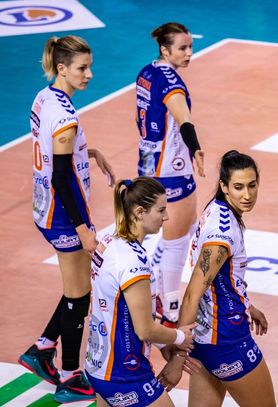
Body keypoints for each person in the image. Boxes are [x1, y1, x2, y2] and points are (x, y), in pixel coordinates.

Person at [18, 35, 115, 403]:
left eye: (89, 66)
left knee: (77, 289)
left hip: (45, 208)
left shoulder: (44, 98)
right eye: (81, 68)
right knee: (80, 296)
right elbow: (61, 178)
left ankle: (43, 349)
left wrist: (89, 152)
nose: (89, 74)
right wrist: (82, 229)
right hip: (63, 215)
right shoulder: (65, 117)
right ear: (62, 68)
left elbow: (53, 150)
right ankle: (70, 377)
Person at [158, 151, 276, 407]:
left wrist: (247, 306)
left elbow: (218, 281)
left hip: (205, 340)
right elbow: (192, 294)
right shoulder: (222, 236)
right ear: (224, 186)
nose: (247, 195)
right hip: (227, 340)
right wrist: (178, 359)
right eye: (238, 187)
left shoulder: (216, 210)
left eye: (252, 185)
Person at [85, 177, 198, 406]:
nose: (166, 217)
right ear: (139, 212)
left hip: (99, 365)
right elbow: (145, 329)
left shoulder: (110, 240)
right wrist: (179, 337)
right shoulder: (132, 262)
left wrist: (163, 344)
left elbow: (123, 312)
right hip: (124, 374)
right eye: (161, 210)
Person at [135, 22, 205, 328]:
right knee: (179, 237)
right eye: (182, 48)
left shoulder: (146, 73)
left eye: (190, 47)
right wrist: (196, 149)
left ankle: (159, 288)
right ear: (165, 50)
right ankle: (170, 309)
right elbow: (184, 120)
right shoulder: (171, 83)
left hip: (149, 164)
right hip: (172, 169)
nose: (189, 53)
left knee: (180, 231)